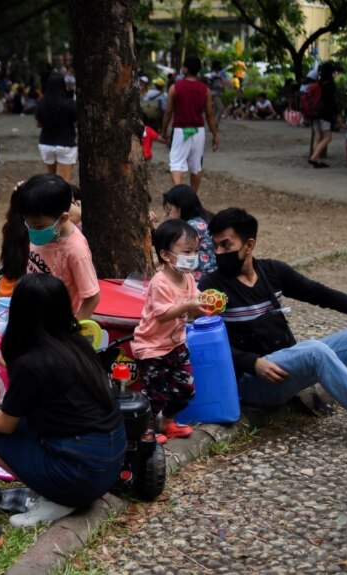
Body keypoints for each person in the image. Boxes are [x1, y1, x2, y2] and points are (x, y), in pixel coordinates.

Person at [199, 208, 347, 452]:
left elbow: (316, 292)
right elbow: (204, 345)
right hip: (252, 382)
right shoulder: (211, 288)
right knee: (314, 350)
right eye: (215, 246)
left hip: (286, 368)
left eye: (226, 245)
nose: (219, 253)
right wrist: (253, 362)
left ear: (249, 245)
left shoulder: (271, 271)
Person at [0, 273, 126, 527]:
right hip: (109, 464)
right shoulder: (77, 343)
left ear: (20, 313)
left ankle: (54, 498)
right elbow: (47, 377)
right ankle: (58, 488)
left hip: (81, 477)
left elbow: (5, 424)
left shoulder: (32, 363)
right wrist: (2, 357)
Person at [133, 220, 207, 443]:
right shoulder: (160, 282)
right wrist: (189, 307)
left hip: (176, 344)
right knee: (155, 394)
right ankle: (144, 430)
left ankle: (168, 422)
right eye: (187, 251)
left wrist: (206, 305)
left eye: (195, 251)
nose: (193, 256)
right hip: (153, 348)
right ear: (166, 255)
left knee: (185, 388)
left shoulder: (187, 277)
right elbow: (163, 314)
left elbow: (196, 300)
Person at [6, 174, 99, 319]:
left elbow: (92, 297)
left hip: (56, 326)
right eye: (27, 223)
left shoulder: (76, 251)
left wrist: (71, 329)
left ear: (63, 219)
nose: (31, 229)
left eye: (37, 226)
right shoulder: (42, 225)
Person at [161, 56, 220, 193]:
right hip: (198, 131)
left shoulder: (175, 88)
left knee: (176, 163)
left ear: (185, 69)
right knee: (196, 166)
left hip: (181, 130)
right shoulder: (205, 90)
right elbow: (210, 115)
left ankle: (179, 193)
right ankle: (192, 196)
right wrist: (215, 135)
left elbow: (168, 112)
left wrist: (163, 132)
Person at [162, 184, 216, 281]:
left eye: (169, 211)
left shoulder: (191, 227)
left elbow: (170, 254)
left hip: (201, 279)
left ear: (181, 207)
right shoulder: (205, 218)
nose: (168, 216)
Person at [35, 72, 79, 184]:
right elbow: (76, 121)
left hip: (46, 143)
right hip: (65, 143)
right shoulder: (70, 104)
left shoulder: (41, 103)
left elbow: (39, 124)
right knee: (64, 181)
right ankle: (63, 201)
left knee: (51, 178)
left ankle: (51, 199)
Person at [308, 62, 341, 168]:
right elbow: (332, 101)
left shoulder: (318, 82)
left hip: (314, 112)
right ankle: (314, 157)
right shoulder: (330, 84)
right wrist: (337, 113)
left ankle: (317, 161)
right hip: (325, 114)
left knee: (317, 136)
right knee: (328, 137)